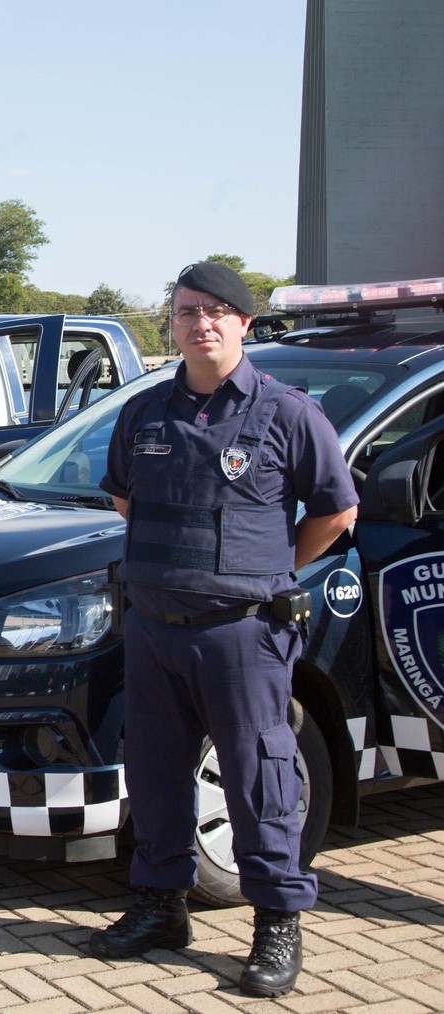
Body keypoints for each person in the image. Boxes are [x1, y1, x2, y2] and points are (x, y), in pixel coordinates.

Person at [91, 262, 359, 997]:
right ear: (169, 325)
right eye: (184, 312)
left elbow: (335, 514)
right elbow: (124, 502)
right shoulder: (143, 413)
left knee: (259, 778)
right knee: (153, 773)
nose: (199, 323)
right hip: (152, 628)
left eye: (214, 311)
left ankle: (275, 920)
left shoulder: (287, 414)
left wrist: (263, 571)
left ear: (242, 323)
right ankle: (159, 907)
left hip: (241, 633)